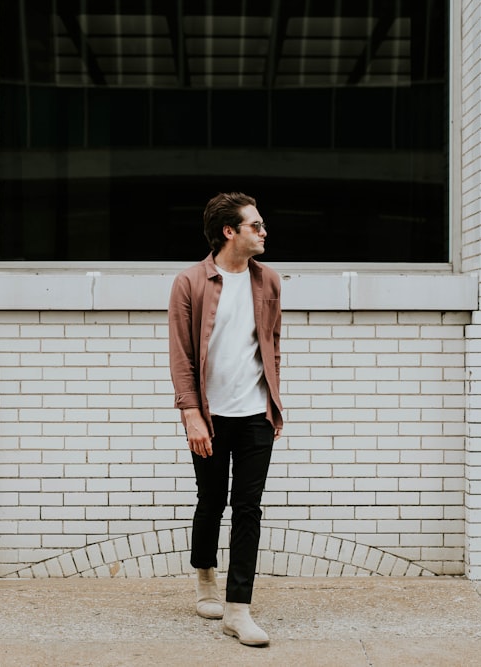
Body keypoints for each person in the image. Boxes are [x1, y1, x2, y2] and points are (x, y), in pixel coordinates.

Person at [167, 192, 283, 647]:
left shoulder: (269, 280)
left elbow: (271, 346)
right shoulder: (190, 282)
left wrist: (274, 403)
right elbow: (181, 356)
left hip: (256, 411)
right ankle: (205, 583)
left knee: (248, 507)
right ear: (229, 231)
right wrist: (191, 415)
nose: (264, 231)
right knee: (211, 499)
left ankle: (239, 609)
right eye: (256, 225)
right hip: (211, 416)